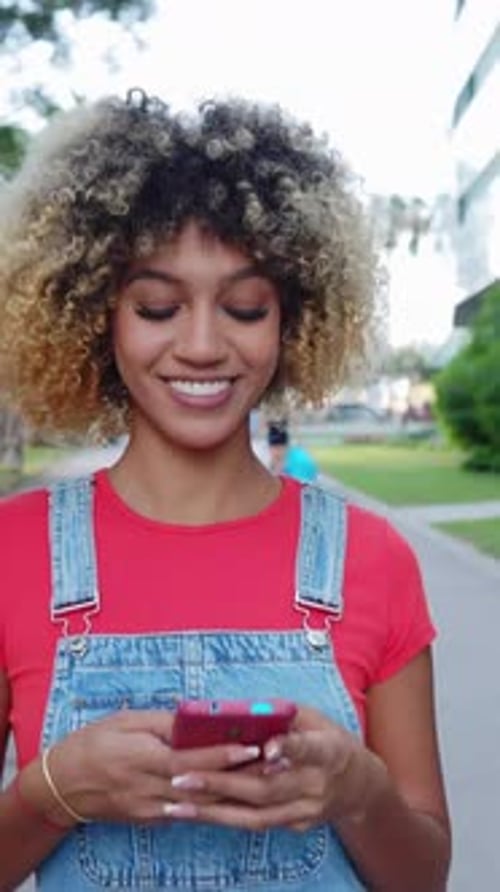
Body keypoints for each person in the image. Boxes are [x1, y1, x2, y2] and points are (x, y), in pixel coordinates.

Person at [0, 89, 450, 891]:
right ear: (96, 317)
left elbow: (423, 876)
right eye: (158, 306)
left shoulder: (372, 559)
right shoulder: (13, 552)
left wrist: (358, 789)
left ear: (292, 322)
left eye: (244, 307)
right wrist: (52, 791)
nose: (202, 345)